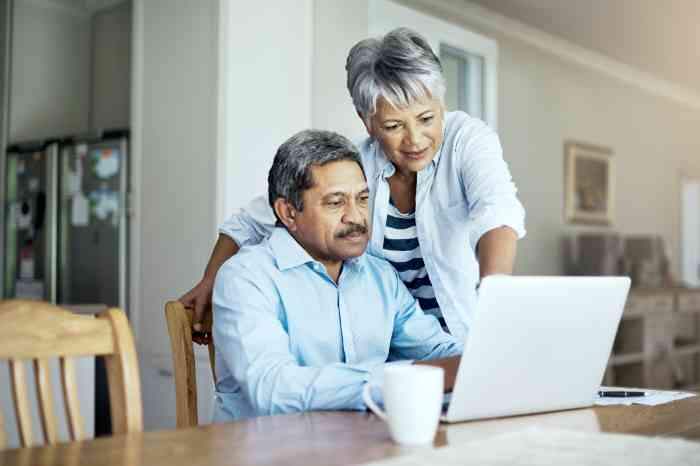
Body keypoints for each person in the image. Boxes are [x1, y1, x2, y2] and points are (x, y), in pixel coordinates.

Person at [183, 27, 526, 341]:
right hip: (379, 348)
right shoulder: (355, 165)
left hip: (458, 339)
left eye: (426, 119)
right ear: (367, 121)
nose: (415, 139)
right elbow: (249, 222)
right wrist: (212, 280)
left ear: (441, 104)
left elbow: (495, 212)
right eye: (393, 126)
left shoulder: (467, 140)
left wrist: (494, 301)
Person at [212, 129, 462, 421]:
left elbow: (438, 349)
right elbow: (273, 390)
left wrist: (483, 359)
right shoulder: (244, 278)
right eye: (335, 202)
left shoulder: (379, 276)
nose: (356, 217)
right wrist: (409, 376)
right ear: (288, 212)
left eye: (362, 199)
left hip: (361, 448)